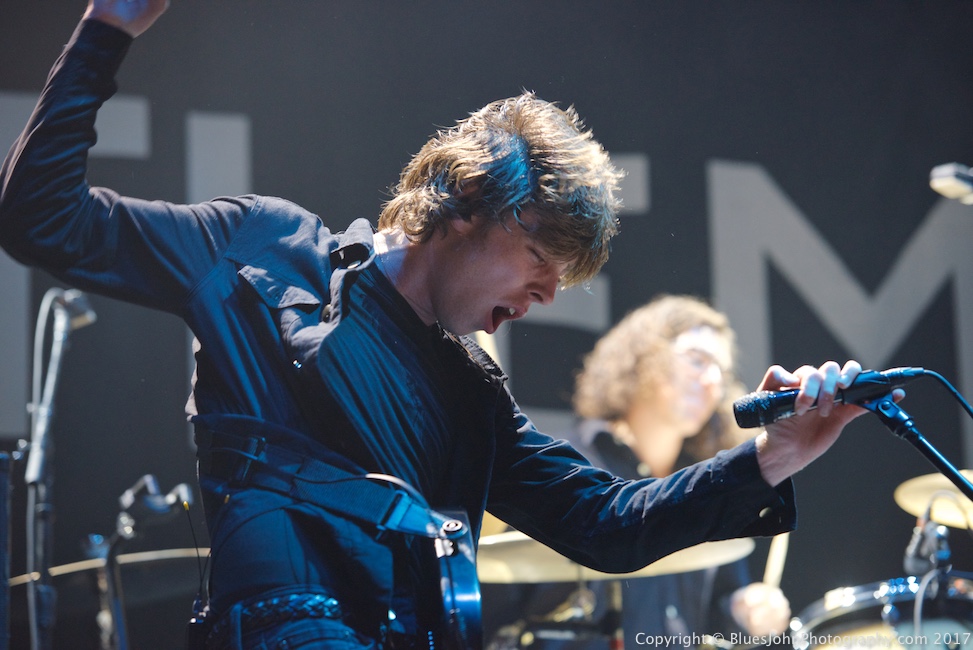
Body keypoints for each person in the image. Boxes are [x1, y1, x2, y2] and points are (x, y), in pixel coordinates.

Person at [0, 2, 875, 648]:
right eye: (539, 263)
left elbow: (607, 522)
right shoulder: (263, 249)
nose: (546, 295)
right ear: (464, 206)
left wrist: (773, 455)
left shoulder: (470, 391)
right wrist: (105, 31)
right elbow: (44, 222)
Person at [484, 295, 792, 649]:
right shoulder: (572, 467)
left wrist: (743, 611)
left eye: (721, 371)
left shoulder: (704, 485)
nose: (712, 381)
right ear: (645, 358)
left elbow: (715, 620)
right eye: (698, 360)